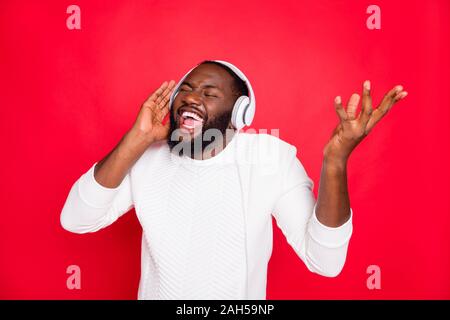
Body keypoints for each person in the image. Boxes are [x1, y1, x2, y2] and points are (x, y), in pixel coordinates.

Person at [60, 60, 408, 299]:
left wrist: (336, 161)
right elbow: (76, 220)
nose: (192, 98)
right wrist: (135, 141)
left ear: (239, 113)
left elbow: (326, 262)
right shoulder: (145, 158)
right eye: (187, 89)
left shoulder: (269, 158)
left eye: (210, 94)